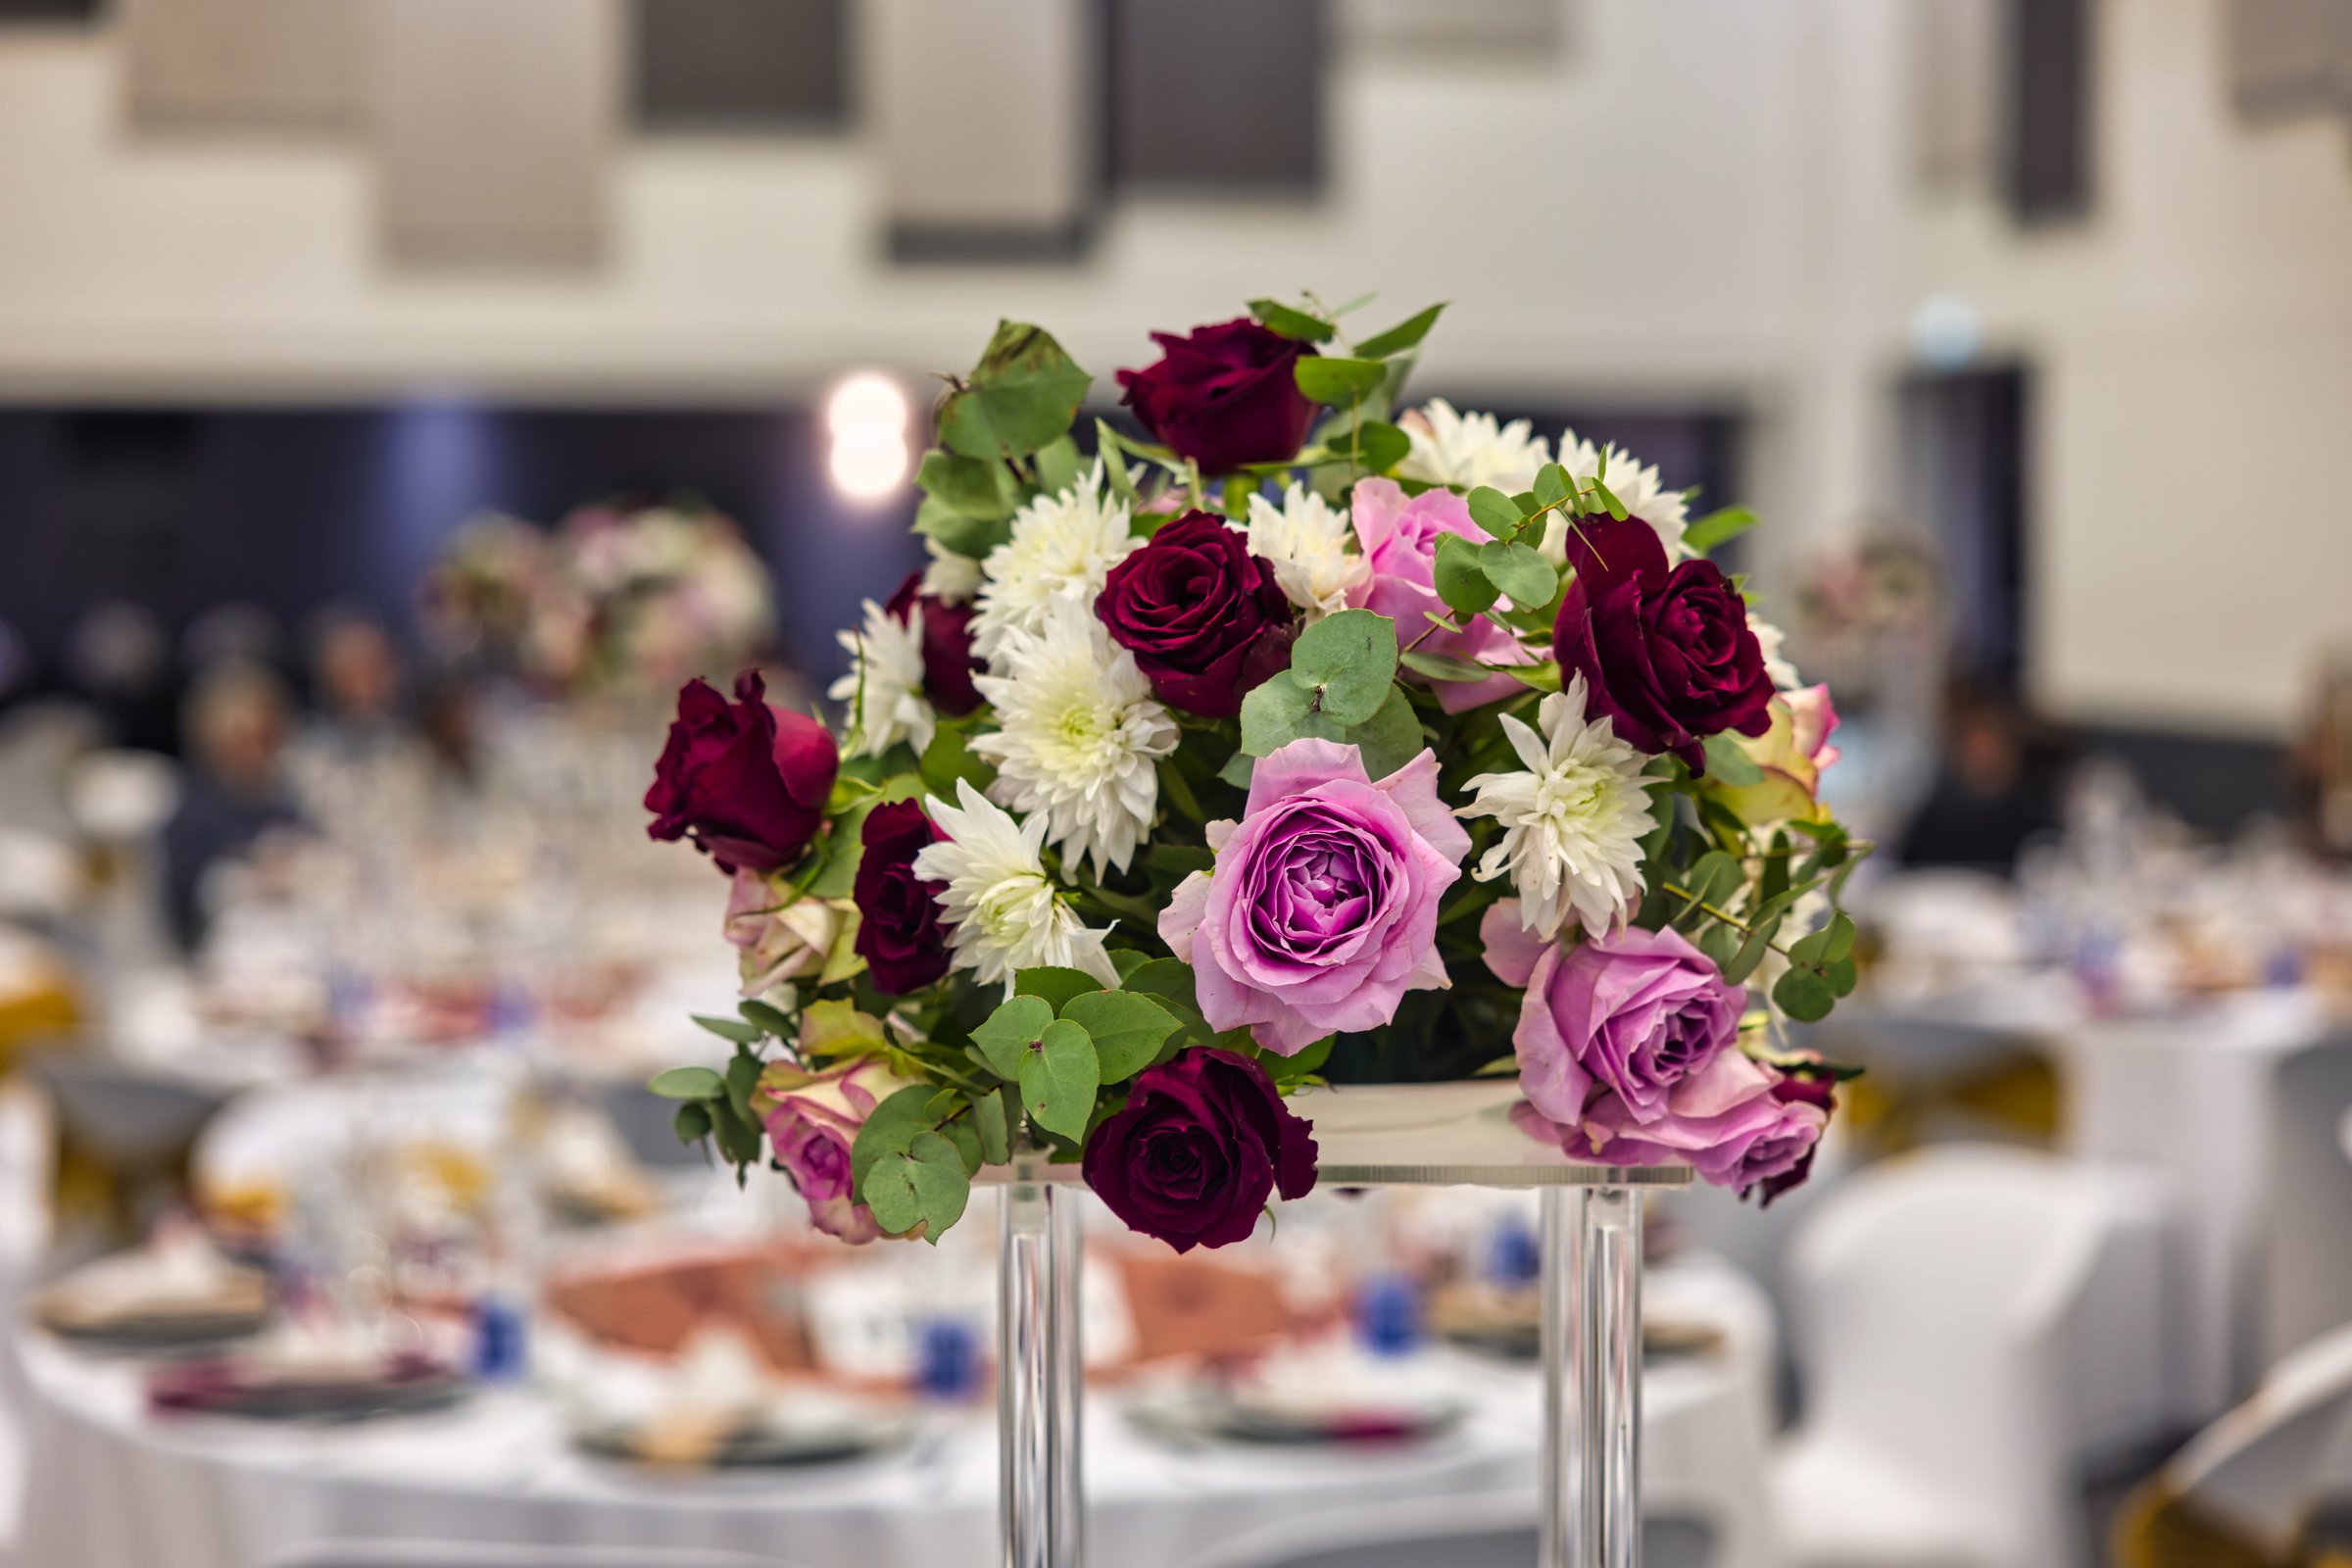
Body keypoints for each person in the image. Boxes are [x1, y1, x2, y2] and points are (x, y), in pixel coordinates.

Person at [161, 660, 301, 950]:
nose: (255, 753)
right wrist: (250, 879)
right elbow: (186, 903)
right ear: (214, 741)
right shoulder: (192, 811)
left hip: (291, 941)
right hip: (219, 952)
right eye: (242, 741)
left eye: (265, 739)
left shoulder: (282, 795)